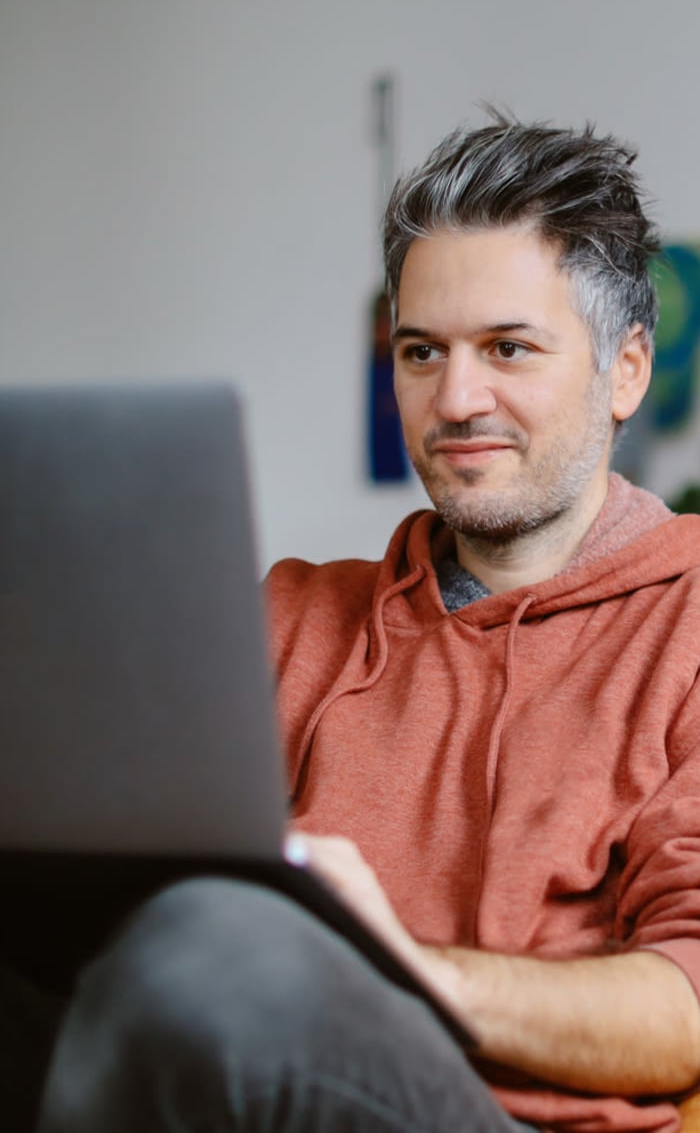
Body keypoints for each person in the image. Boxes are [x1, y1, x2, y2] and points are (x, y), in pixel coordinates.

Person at [33, 112, 700, 1132]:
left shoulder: (687, 619)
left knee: (216, 948)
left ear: (626, 369)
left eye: (508, 348)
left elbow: (685, 1011)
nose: (455, 396)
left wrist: (393, 964)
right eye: (420, 350)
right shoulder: (285, 614)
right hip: (228, 1072)